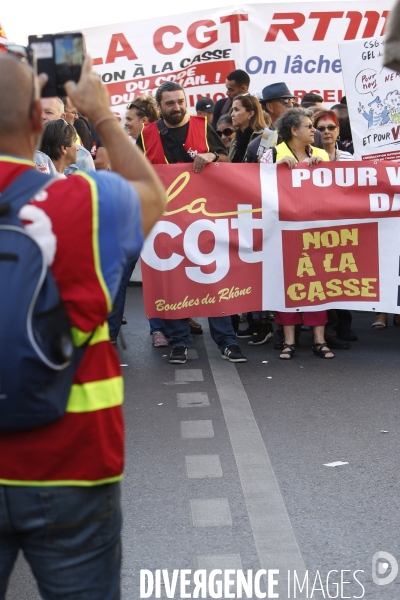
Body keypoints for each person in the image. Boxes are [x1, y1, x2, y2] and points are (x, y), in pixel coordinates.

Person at [0, 50, 165, 598]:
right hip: (72, 461)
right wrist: (103, 114)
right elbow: (152, 196)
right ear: (36, 121)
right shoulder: (87, 200)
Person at [138, 81, 248, 364]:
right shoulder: (147, 133)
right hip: (167, 221)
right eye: (170, 103)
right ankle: (178, 342)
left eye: (180, 101)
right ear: (159, 106)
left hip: (205, 218)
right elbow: (135, 171)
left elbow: (225, 159)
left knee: (213, 278)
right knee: (174, 281)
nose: (177, 107)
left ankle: (227, 341)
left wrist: (211, 155)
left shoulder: (202, 125)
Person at [259, 108, 334, 360]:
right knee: (287, 286)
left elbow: (337, 190)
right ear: (293, 130)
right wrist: (274, 169)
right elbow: (253, 186)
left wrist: (324, 168)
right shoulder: (272, 155)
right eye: (309, 126)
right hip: (283, 233)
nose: (315, 130)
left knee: (318, 285)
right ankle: (289, 342)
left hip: (316, 232)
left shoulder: (322, 154)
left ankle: (319, 341)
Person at [108, 96, 168, 347]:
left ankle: (160, 329)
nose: (126, 123)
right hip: (131, 222)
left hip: (163, 222)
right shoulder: (126, 147)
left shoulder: (162, 144)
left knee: (161, 277)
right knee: (120, 278)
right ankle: (110, 334)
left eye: (130, 119)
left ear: (145, 121)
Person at [313, 109, 357, 347]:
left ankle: (345, 324)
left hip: (345, 226)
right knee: (324, 277)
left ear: (338, 130)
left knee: (345, 276)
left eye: (331, 127)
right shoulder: (310, 159)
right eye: (321, 129)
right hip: (319, 228)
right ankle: (328, 330)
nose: (326, 132)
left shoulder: (350, 158)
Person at [41, 95, 95, 175]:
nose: (41, 116)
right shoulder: (22, 152)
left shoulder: (81, 156)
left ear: (62, 117)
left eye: (49, 112)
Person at [229, 93, 267, 162]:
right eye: (232, 110)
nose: (232, 114)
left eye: (236, 110)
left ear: (250, 114)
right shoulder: (234, 141)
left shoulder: (265, 137)